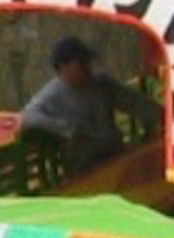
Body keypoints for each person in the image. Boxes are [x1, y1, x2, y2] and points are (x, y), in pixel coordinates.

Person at [17, 36, 155, 171]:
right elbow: (26, 118)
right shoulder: (51, 95)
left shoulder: (101, 83)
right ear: (63, 67)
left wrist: (165, 117)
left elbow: (134, 102)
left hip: (115, 152)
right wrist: (66, 129)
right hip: (84, 165)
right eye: (81, 63)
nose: (87, 67)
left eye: (87, 62)